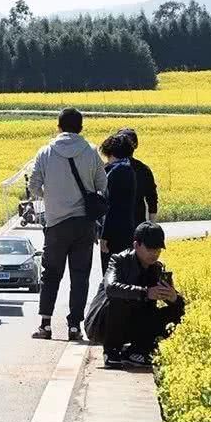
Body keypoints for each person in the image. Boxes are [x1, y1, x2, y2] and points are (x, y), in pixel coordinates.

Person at [28, 108, 108, 341]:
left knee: (51, 275)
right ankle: (74, 326)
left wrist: (49, 196)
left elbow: (33, 186)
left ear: (58, 126)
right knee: (80, 276)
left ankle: (45, 325)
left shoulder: (45, 152)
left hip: (56, 223)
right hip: (84, 224)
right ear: (81, 128)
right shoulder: (91, 151)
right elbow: (102, 184)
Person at [102, 221, 184, 369]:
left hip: (138, 322)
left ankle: (137, 351)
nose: (155, 253)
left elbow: (175, 303)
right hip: (106, 324)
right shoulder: (119, 260)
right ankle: (111, 351)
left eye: (158, 249)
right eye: (150, 249)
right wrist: (145, 293)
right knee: (119, 299)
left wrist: (174, 298)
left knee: (178, 310)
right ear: (136, 245)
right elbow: (111, 288)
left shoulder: (158, 269)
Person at [98, 133, 137, 274]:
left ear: (111, 152)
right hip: (126, 230)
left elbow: (112, 207)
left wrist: (104, 236)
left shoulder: (117, 172)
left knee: (110, 275)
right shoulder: (128, 169)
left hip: (115, 234)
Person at [116, 128, 158, 225]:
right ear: (135, 146)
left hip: (115, 223)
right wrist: (153, 225)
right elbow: (152, 198)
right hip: (137, 221)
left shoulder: (109, 168)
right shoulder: (143, 169)